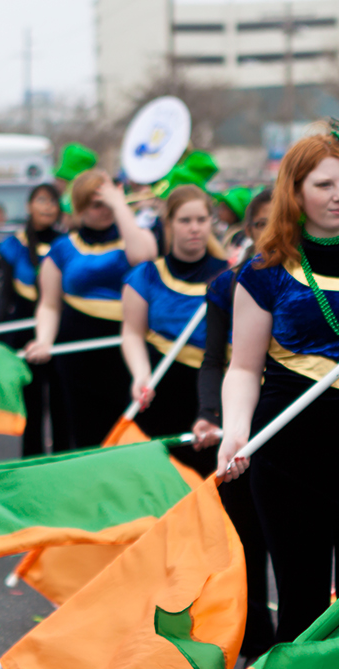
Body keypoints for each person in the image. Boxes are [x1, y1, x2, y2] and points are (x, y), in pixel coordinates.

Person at [215, 123, 339, 643]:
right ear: (296, 192)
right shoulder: (264, 271)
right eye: (325, 185)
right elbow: (242, 367)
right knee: (301, 602)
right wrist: (235, 432)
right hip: (287, 454)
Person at [197, 189, 277, 661]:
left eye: (279, 219)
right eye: (262, 223)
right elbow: (214, 362)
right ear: (248, 231)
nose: (271, 231)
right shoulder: (228, 285)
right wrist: (214, 416)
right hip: (242, 423)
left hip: (290, 427)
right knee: (246, 539)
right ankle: (254, 641)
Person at [26, 169, 158, 450]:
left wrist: (119, 204)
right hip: (77, 354)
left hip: (128, 350)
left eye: (109, 202)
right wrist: (44, 340)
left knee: (129, 434)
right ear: (81, 207)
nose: (105, 210)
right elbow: (49, 305)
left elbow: (143, 258)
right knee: (82, 434)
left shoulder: (137, 237)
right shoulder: (62, 248)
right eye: (97, 204)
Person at [120, 184, 229, 471]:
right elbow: (132, 333)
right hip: (160, 389)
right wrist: (140, 375)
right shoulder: (146, 275)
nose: (194, 228)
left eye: (201, 220)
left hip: (213, 394)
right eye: (185, 220)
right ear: (168, 224)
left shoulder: (231, 276)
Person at [0, 183, 64, 455]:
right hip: (25, 334)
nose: (47, 206)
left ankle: (62, 460)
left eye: (52, 201)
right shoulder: (13, 245)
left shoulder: (67, 244)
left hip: (60, 334)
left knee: (61, 403)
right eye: (41, 200)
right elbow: (4, 294)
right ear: (28, 206)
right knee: (31, 405)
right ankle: (31, 460)